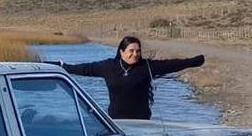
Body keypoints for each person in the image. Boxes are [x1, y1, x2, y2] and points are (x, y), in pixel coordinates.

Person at [58, 36, 205, 120]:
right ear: (121, 52)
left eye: (138, 51)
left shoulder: (146, 67)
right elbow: (85, 69)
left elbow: (171, 65)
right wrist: (62, 66)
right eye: (131, 51)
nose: (135, 54)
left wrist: (193, 61)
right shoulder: (108, 66)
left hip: (142, 121)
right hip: (116, 122)